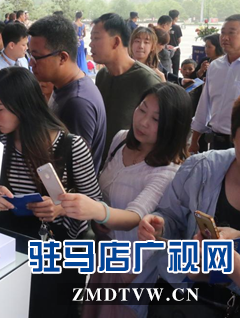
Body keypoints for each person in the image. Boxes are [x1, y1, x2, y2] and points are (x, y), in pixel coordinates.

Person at [59, 83, 192, 318]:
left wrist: (99, 212)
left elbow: (134, 217)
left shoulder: (167, 170)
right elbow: (105, 189)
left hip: (131, 268)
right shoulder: (121, 139)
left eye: (156, 119)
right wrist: (101, 217)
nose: (143, 122)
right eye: (142, 109)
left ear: (173, 127)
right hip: (105, 253)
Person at [137, 90, 240, 317]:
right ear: (233, 136)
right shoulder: (201, 169)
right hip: (183, 299)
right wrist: (160, 225)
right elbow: (171, 215)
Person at [0, 67, 102, 318]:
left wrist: (60, 208)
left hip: (57, 258)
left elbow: (95, 203)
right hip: (10, 250)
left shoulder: (71, 146)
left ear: (23, 107)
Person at [29, 14, 106, 173]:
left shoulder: (77, 103)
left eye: (37, 57)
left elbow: (74, 169)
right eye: (30, 55)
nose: (31, 63)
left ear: (62, 57)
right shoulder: (63, 87)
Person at [91, 13, 161, 163]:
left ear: (116, 42)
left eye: (96, 38)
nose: (91, 44)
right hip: (102, 162)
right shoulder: (102, 75)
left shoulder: (147, 80)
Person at [190, 14, 240, 153]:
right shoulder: (215, 66)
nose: (224, 38)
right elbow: (204, 104)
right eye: (223, 33)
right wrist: (194, 140)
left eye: (231, 33)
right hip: (215, 141)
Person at [168, 9, 183, 74]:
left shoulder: (166, 26)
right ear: (176, 17)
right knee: (175, 69)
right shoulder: (177, 27)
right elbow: (179, 40)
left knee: (167, 69)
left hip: (166, 50)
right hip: (175, 50)